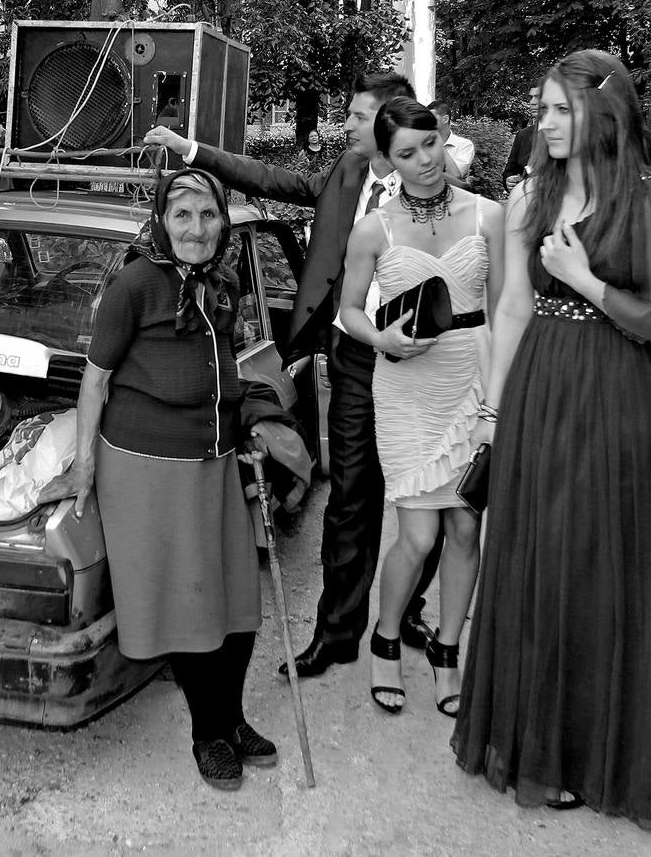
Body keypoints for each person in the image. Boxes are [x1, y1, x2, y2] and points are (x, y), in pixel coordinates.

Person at [146, 72, 445, 680]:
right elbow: (274, 180)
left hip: (422, 368)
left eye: (359, 117)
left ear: (391, 125)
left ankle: (408, 606)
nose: (348, 126)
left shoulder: (436, 189)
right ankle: (336, 635)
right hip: (355, 359)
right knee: (351, 502)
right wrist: (192, 152)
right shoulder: (346, 171)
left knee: (424, 495)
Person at [451, 50, 651, 827]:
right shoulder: (530, 194)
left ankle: (594, 748)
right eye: (541, 110)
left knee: (597, 564)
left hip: (616, 397)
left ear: (604, 113)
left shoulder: (641, 200)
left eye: (558, 110)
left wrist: (587, 280)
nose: (544, 124)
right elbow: (510, 311)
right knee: (535, 555)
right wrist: (493, 419)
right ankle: (536, 742)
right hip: (538, 393)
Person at [38, 169, 276, 790]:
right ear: (161, 222)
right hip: (148, 472)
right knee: (191, 606)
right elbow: (95, 380)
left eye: (207, 215)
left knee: (238, 602)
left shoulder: (220, 286)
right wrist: (84, 466)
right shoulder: (136, 284)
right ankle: (209, 734)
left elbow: (225, 372)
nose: (196, 228)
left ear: (223, 222)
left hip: (216, 462)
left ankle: (233, 716)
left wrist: (248, 429)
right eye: (182, 215)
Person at [339, 98, 503, 717]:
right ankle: (385, 639)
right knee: (418, 531)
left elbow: (508, 310)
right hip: (406, 388)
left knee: (465, 525)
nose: (424, 162)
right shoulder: (373, 229)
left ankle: (447, 650)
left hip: (474, 382)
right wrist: (379, 338)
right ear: (388, 160)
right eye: (406, 154)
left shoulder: (491, 216)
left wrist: (500, 398)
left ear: (445, 138)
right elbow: (351, 309)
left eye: (430, 145)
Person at [501, 87, 540, 192]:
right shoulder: (523, 135)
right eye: (531, 97)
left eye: (538, 97)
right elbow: (509, 170)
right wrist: (509, 180)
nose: (532, 102)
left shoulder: (566, 135)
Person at [428, 100, 475, 178]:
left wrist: (437, 142)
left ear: (445, 119)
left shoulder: (464, 145)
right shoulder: (422, 144)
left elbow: (455, 175)